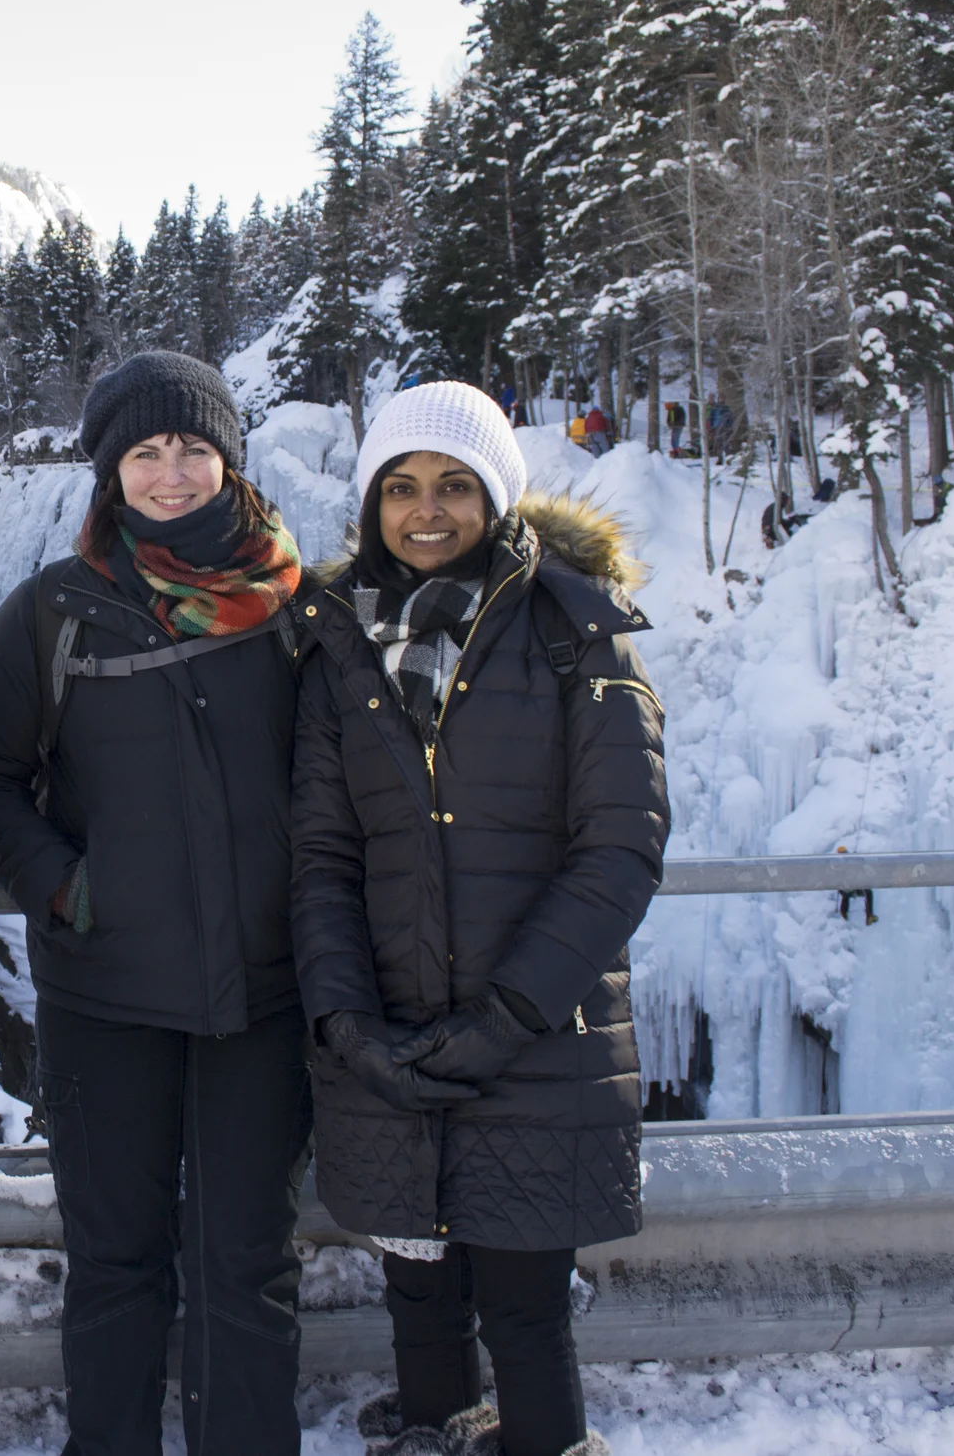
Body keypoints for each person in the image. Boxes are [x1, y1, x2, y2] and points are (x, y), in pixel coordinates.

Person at [288, 381, 668, 1456]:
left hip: (535, 1038)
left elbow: (621, 845)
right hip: (389, 1034)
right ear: (369, 503)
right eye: (399, 485)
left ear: (496, 496)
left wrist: (509, 1013)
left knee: (525, 1307)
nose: (425, 508)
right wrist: (345, 1018)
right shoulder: (335, 642)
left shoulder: (574, 629)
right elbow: (319, 852)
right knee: (417, 1295)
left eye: (454, 484)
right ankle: (429, 1434)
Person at [0, 351, 311, 1456]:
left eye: (192, 449)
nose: (171, 474)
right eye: (146, 453)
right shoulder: (53, 612)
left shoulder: (303, 610)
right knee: (113, 1258)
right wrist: (65, 886)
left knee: (247, 1260)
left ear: (229, 461)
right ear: (111, 471)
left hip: (263, 989)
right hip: (105, 987)